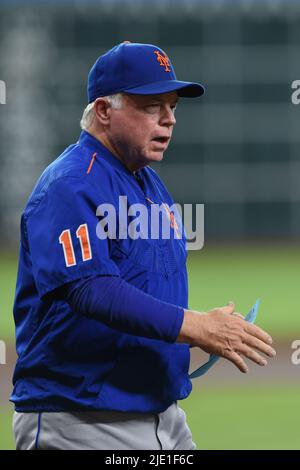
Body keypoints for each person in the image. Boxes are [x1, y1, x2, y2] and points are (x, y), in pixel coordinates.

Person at [11, 42, 276, 451]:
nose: (169, 120)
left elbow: (147, 284)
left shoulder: (149, 185)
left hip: (162, 415)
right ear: (103, 111)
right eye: (152, 106)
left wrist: (205, 325)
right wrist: (195, 326)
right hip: (81, 418)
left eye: (172, 107)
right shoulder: (69, 185)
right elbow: (90, 288)